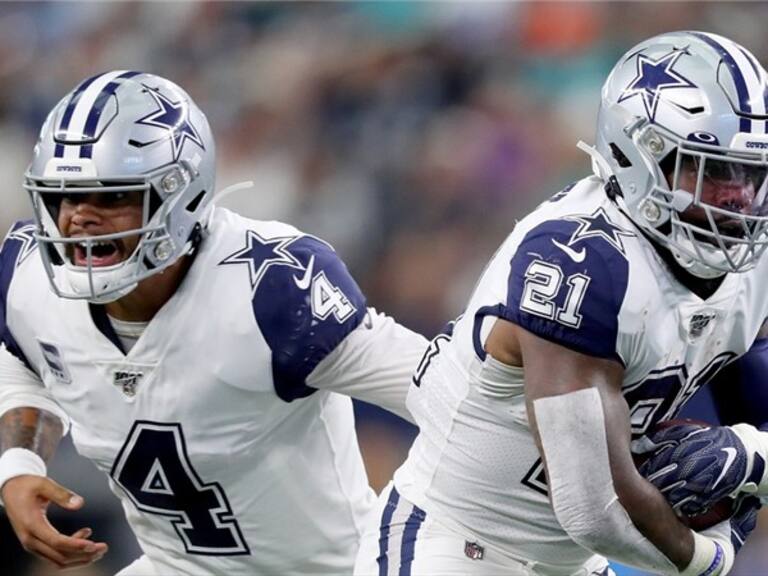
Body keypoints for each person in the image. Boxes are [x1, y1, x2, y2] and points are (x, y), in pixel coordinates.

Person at [354, 31, 768, 576]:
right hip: (457, 543)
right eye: (713, 171)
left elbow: (756, 403)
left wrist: (753, 458)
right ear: (639, 155)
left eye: (751, 175)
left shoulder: (750, 264)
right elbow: (590, 508)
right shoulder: (581, 261)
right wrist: (708, 559)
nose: (737, 198)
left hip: (575, 562)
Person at [0, 71, 428, 575]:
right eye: (67, 196)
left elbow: (446, 393)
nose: (80, 219)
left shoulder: (266, 287)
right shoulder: (28, 279)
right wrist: (19, 465)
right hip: (173, 566)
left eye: (113, 197)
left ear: (180, 196)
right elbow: (22, 356)